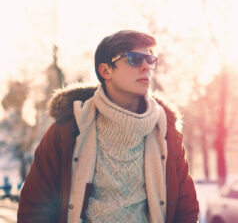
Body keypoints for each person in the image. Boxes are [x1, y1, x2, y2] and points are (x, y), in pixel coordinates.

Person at [17, 30, 199, 223]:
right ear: (105, 71)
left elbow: (186, 208)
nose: (146, 67)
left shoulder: (165, 132)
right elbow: (35, 207)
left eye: (150, 60)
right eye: (134, 59)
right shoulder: (68, 129)